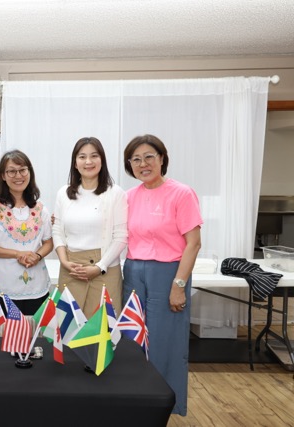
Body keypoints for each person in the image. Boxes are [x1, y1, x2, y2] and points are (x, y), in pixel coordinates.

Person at [122, 134, 202, 416]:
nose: (143, 164)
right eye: (136, 159)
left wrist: (179, 285)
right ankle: (135, 400)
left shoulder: (181, 193)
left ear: (162, 159)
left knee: (165, 341)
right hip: (133, 271)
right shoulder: (128, 197)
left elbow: (193, 243)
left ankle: (164, 405)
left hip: (167, 273)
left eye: (149, 157)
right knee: (132, 338)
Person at [52, 137, 128, 315]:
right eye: (82, 157)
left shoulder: (115, 193)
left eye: (94, 156)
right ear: (75, 163)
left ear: (102, 160)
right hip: (71, 268)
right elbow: (57, 230)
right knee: (68, 326)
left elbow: (121, 236)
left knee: (103, 327)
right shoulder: (63, 193)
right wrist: (64, 261)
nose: (88, 162)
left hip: (105, 269)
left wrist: (100, 266)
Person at [0, 149, 53, 315]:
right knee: (4, 331)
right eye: (11, 171)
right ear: (3, 176)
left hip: (37, 287)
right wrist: (17, 254)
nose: (18, 176)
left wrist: (37, 256)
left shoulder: (40, 208)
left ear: (29, 172)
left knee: (35, 329)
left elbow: (48, 242)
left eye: (22, 170)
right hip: (2, 287)